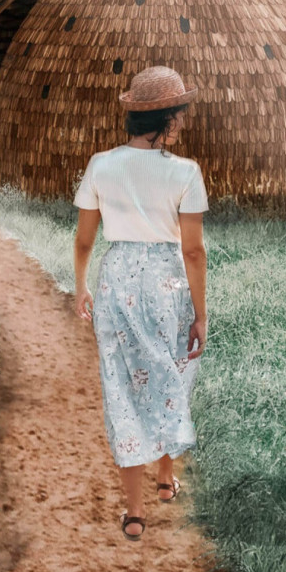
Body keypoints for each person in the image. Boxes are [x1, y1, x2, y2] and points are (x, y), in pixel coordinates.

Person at [72, 65, 209, 541]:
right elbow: (193, 250)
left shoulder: (100, 165)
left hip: (116, 279)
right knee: (171, 370)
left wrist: (81, 286)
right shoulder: (185, 173)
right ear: (170, 120)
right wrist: (201, 314)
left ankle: (134, 513)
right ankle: (166, 478)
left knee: (121, 384)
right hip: (167, 283)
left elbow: (85, 239)